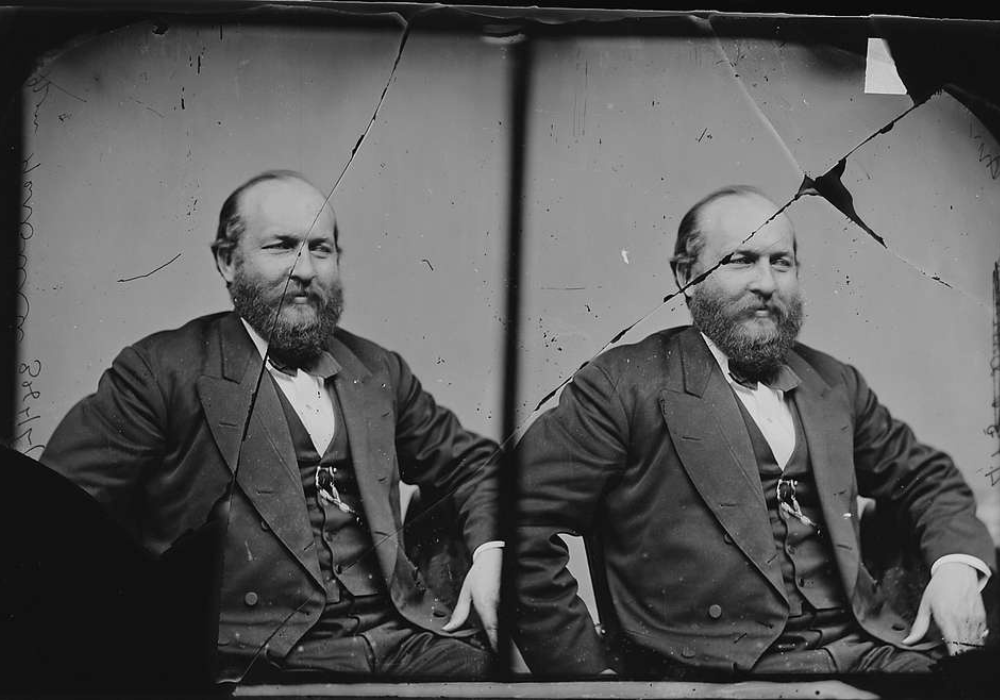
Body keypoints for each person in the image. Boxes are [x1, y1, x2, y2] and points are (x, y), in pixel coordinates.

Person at [512, 185, 995, 679]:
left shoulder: (833, 383)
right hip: (715, 676)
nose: (766, 282)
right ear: (686, 277)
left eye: (781, 262)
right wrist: (588, 680)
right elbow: (517, 518)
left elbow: (927, 478)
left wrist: (956, 566)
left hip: (868, 651)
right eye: (740, 260)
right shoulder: (623, 384)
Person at [41, 170, 501, 682]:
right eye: (282, 246)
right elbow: (53, 511)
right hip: (251, 661)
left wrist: (490, 553)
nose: (304, 269)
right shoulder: (160, 371)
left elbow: (476, 465)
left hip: (401, 642)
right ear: (227, 261)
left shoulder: (377, 368)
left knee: (503, 680)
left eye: (321, 249)